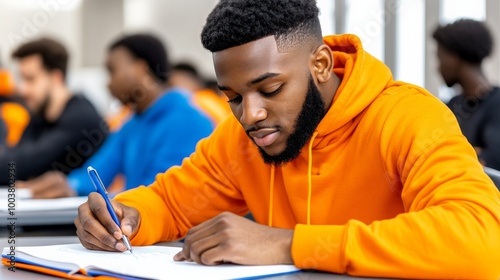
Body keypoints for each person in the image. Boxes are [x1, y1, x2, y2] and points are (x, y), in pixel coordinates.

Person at [75, 1, 500, 279]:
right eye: (234, 98)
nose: (251, 114)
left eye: (271, 89)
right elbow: (170, 201)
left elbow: (483, 239)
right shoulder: (242, 138)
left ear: (320, 64)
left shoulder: (406, 117)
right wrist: (128, 216)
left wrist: (289, 245)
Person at [21, 34, 213, 198]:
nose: (108, 84)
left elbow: (160, 196)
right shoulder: (133, 123)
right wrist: (68, 185)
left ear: (140, 69)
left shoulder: (187, 122)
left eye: (112, 71)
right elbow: (98, 173)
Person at [0, 38, 105, 186]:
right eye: (21, 79)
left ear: (56, 77)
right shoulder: (40, 115)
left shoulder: (81, 117)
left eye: (30, 79)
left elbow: (19, 165)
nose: (22, 89)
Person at [433, 19, 500, 170]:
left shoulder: (497, 104)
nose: (438, 67)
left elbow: (493, 160)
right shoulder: (450, 107)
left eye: (440, 57)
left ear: (454, 58)